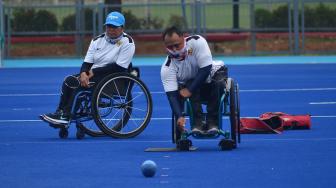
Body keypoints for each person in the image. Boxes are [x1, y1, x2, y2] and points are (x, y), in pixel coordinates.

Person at [40, 11, 135, 126]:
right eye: (109, 26)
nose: (111, 29)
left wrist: (92, 72)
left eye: (115, 27)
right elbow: (87, 62)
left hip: (114, 79)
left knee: (81, 85)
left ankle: (66, 115)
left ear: (122, 28)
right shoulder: (96, 40)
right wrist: (83, 74)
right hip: (94, 75)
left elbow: (119, 67)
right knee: (69, 80)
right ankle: (60, 112)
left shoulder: (127, 42)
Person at [160, 26, 228, 135]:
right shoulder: (167, 68)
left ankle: (213, 122)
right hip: (192, 87)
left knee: (218, 83)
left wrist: (189, 90)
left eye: (177, 45)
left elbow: (205, 69)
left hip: (213, 75)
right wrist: (179, 116)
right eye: (170, 47)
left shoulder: (197, 42)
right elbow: (172, 96)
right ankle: (198, 123)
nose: (174, 49)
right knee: (190, 84)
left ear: (184, 38)